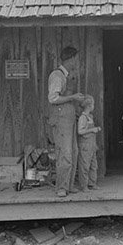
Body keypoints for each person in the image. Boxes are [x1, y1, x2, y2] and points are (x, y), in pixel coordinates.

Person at [47, 46, 86, 197]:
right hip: (61, 118)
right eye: (75, 58)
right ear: (70, 59)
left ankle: (69, 185)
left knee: (74, 152)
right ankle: (61, 187)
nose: (77, 62)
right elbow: (53, 98)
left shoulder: (67, 75)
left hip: (69, 118)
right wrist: (73, 97)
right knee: (65, 153)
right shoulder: (57, 75)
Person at [76, 95, 101, 192]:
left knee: (93, 165)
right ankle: (84, 185)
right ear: (89, 106)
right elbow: (80, 131)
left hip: (91, 144)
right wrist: (92, 129)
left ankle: (92, 183)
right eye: (93, 104)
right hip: (85, 145)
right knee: (84, 166)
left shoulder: (90, 116)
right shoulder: (83, 118)